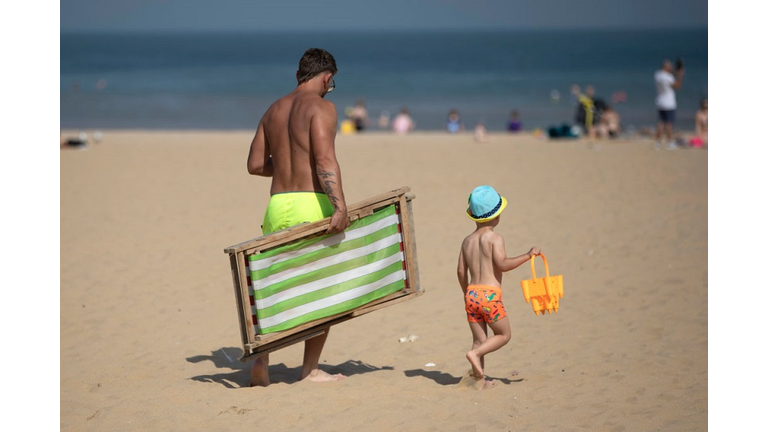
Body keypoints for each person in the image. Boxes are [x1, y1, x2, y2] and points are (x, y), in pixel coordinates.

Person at [246, 47, 349, 387]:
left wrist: (286, 165)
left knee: (275, 283)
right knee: (323, 286)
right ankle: (310, 369)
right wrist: (339, 206)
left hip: (277, 205)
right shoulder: (322, 108)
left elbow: (255, 165)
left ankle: (263, 358)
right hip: (311, 204)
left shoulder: (273, 109)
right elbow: (324, 160)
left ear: (297, 75)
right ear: (327, 78)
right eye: (331, 83)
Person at [456, 185, 541, 389]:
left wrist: (466, 292)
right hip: (489, 296)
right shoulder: (495, 238)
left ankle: (479, 382)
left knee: (479, 340)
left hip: (472, 294)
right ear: (496, 216)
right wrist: (528, 255)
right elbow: (502, 264)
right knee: (504, 335)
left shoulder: (467, 241)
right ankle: (475, 354)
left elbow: (460, 271)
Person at [654, 59, 685, 149]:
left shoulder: (658, 75)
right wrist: (680, 76)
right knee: (669, 124)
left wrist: (675, 72)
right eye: (670, 66)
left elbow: (668, 76)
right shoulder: (668, 77)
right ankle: (670, 142)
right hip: (669, 103)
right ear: (666, 67)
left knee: (661, 123)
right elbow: (677, 86)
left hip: (660, 102)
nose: (672, 68)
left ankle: (657, 143)